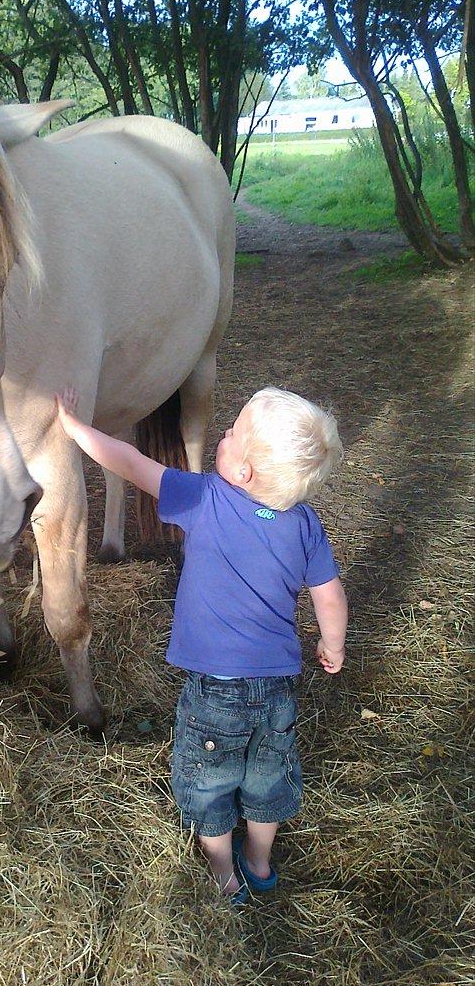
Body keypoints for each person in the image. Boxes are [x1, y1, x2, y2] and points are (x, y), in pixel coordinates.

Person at [56, 386, 348, 903]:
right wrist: (333, 646)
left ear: (243, 473)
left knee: (210, 783)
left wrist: (78, 429)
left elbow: (130, 462)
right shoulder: (304, 524)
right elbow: (329, 596)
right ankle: (258, 863)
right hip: (276, 690)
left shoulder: (205, 498)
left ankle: (222, 873)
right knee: (265, 779)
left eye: (233, 433)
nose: (225, 434)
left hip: (215, 692)